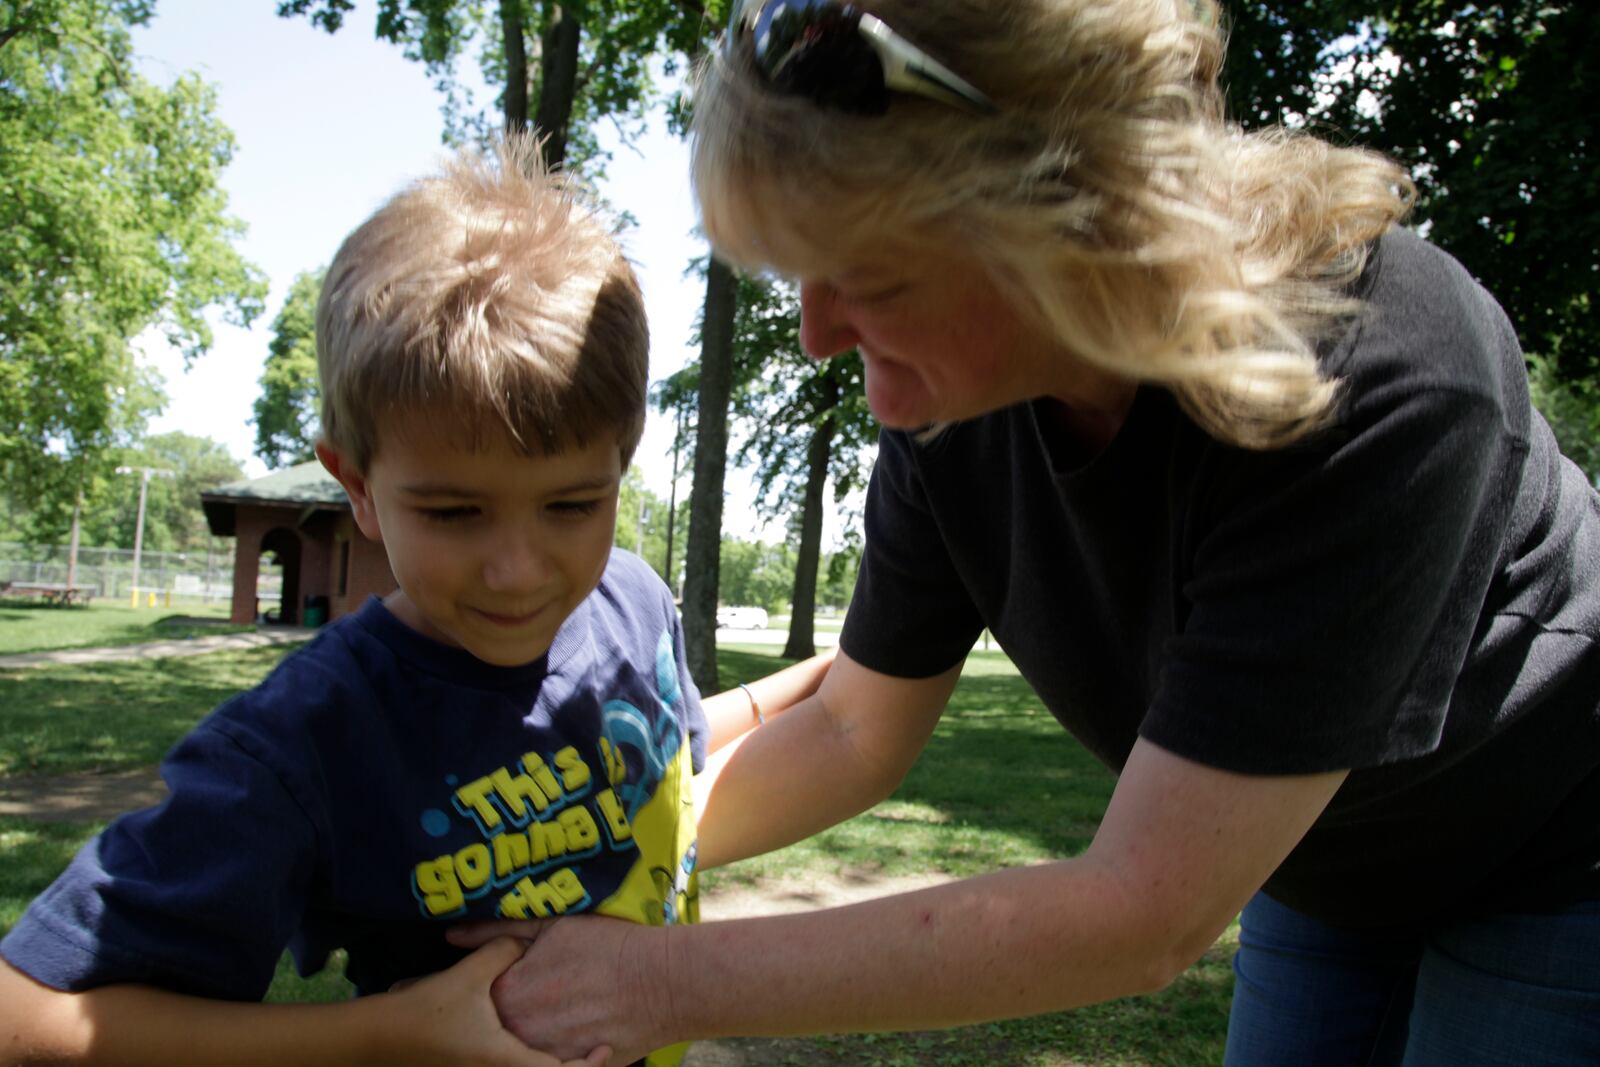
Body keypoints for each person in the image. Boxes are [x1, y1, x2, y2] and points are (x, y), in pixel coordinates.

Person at [449, 2, 1600, 1064]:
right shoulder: (961, 409)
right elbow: (854, 723)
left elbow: (1142, 909)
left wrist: (658, 982)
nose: (813, 338)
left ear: (1074, 212)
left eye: (874, 279)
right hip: (1317, 860)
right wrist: (571, 839)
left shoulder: (1383, 374)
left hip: (1555, 855)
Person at [0, 137, 830, 1067]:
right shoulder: (306, 743)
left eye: (571, 504)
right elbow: (20, 1017)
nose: (518, 570)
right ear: (356, 484)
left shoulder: (635, 600)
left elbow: (661, 770)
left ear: (622, 463)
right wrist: (388, 1034)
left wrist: (835, 678)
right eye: (453, 511)